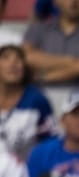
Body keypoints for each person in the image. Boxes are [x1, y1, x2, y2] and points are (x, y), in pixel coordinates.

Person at [21, 0, 79, 85]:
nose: (74, 1)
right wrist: (70, 61)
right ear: (56, 1)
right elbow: (26, 58)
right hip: (40, 94)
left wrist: (44, 77)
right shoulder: (37, 29)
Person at [0, 34, 57, 163]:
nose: (13, 63)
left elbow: (51, 142)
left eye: (19, 59)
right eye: (6, 58)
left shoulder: (37, 100)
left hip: (26, 176)